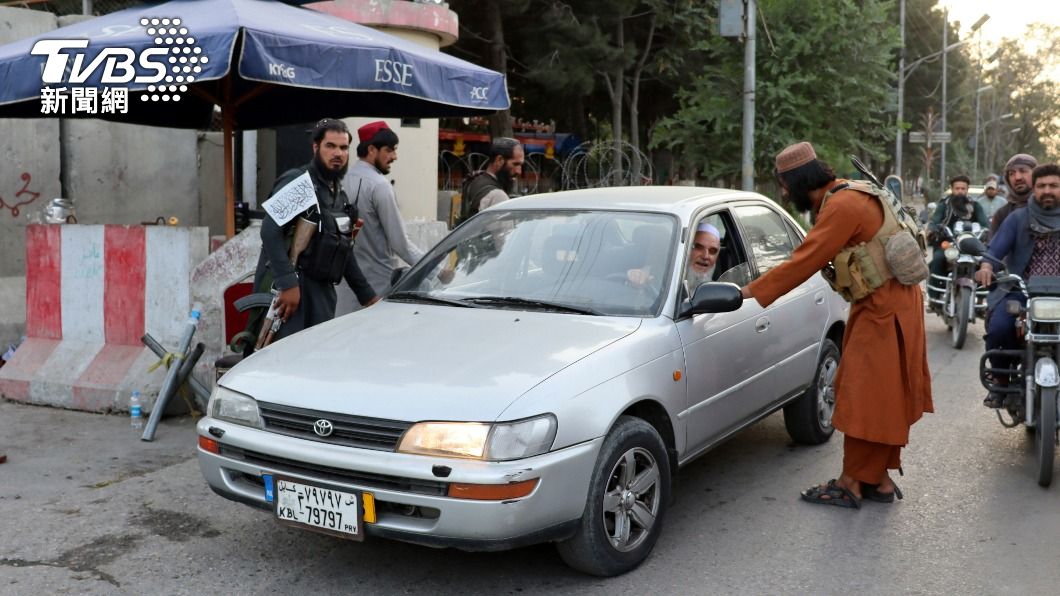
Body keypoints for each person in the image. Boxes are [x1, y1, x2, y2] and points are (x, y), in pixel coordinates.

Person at [740, 141, 932, 507]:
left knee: (864, 397)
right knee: (878, 396)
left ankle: (851, 484)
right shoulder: (847, 192)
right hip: (886, 306)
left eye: (783, 185)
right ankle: (879, 480)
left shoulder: (842, 206)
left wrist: (747, 293)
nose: (783, 192)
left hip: (884, 312)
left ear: (796, 181)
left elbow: (802, 262)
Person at [253, 118, 378, 343]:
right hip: (291, 293)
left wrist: (367, 296)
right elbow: (270, 231)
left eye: (343, 147)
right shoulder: (300, 182)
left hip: (322, 293)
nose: (337, 153)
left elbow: (344, 250)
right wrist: (288, 283)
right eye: (330, 146)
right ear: (315, 148)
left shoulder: (338, 195)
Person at [975, 163, 1060, 407]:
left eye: (1053, 185)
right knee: (1000, 327)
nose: (1047, 190)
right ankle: (1001, 382)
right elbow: (995, 250)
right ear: (1034, 188)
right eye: (1042, 185)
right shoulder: (1017, 218)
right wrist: (987, 267)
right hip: (1022, 292)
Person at [342, 121, 426, 295]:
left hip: (344, 286)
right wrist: (435, 269)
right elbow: (400, 243)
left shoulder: (342, 180)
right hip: (376, 287)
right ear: (372, 150)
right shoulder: (379, 185)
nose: (394, 156)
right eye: (389, 150)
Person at [926, 175, 989, 305]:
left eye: (963, 188)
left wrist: (985, 230)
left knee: (985, 262)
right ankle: (934, 296)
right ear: (952, 189)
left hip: (970, 244)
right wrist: (933, 229)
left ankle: (982, 297)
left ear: (967, 189)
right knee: (938, 259)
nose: (960, 191)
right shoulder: (944, 204)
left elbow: (984, 223)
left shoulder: (974, 205)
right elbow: (935, 220)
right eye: (957, 188)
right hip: (949, 243)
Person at [626, 222, 719, 291]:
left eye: (713, 251)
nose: (706, 256)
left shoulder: (720, 290)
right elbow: (644, 273)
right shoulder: (663, 272)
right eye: (698, 247)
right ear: (686, 248)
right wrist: (635, 275)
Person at [461, 137, 525, 218]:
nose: (518, 171)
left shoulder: (474, 179)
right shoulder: (498, 196)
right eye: (515, 164)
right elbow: (505, 230)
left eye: (521, 165)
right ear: (499, 160)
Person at [990, 153, 1038, 236]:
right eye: (1012, 173)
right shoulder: (1002, 215)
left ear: (1036, 174)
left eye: (1023, 171)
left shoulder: (1050, 209)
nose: (1017, 177)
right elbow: (993, 246)